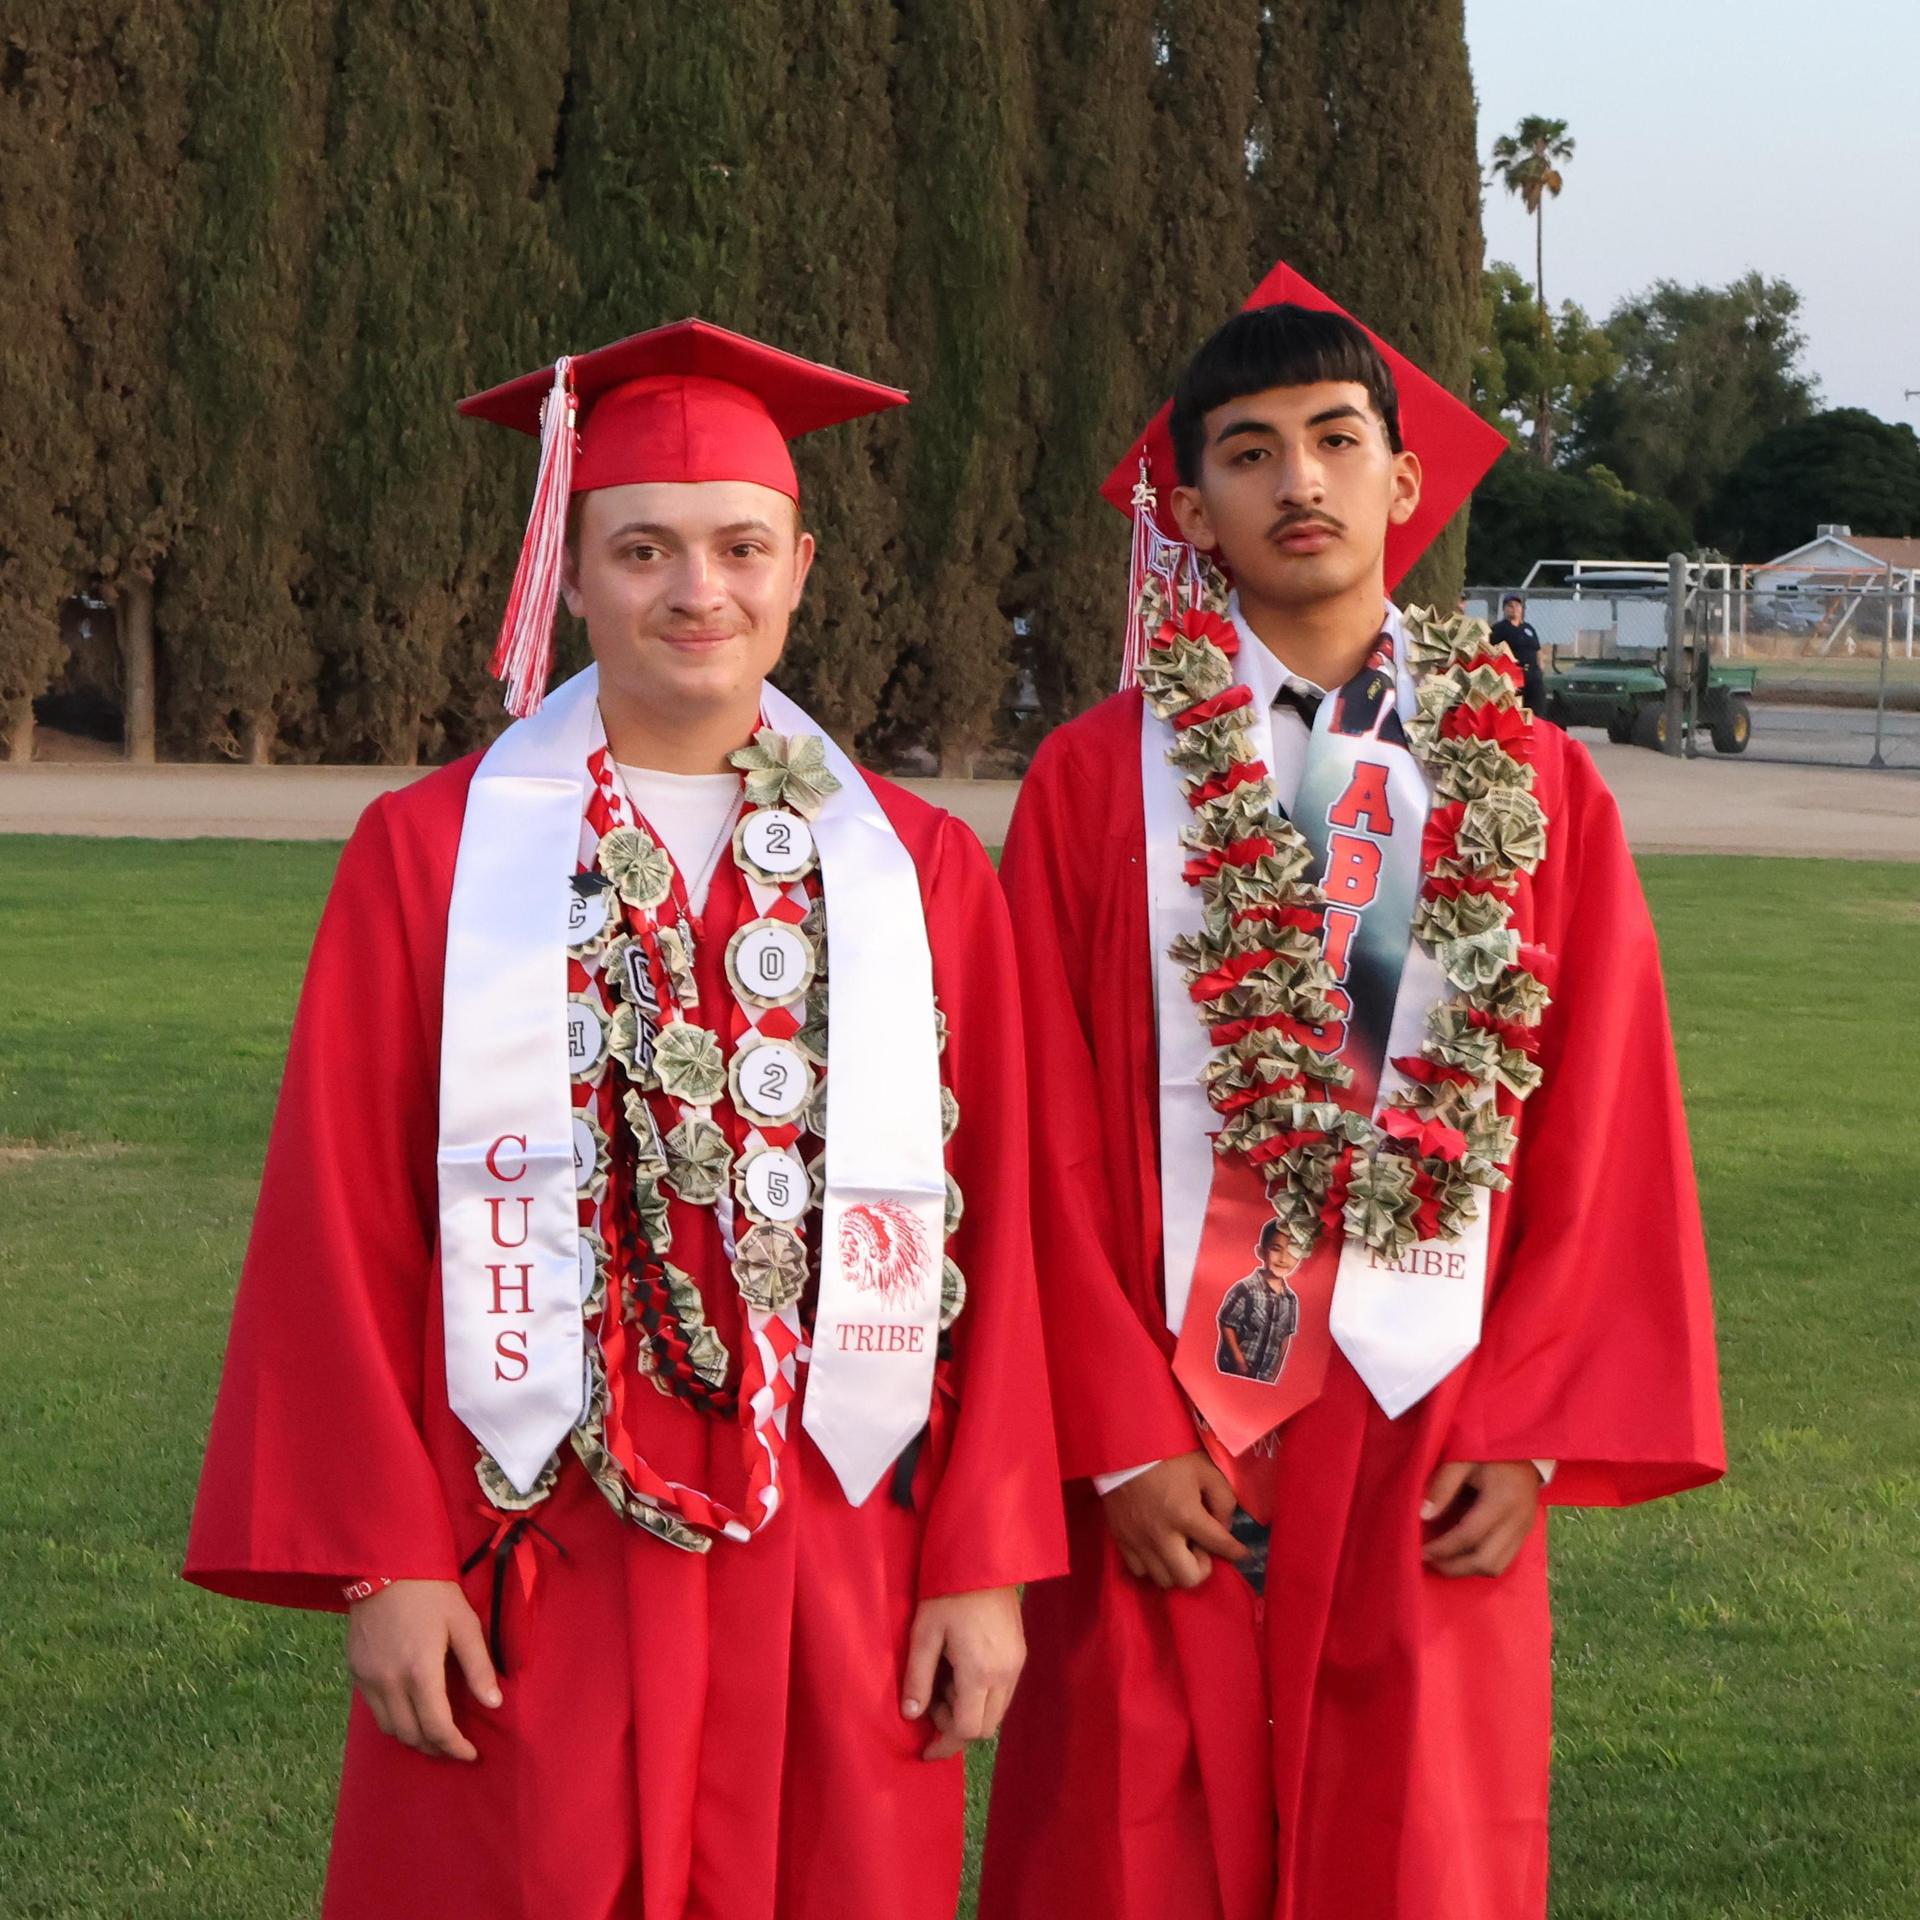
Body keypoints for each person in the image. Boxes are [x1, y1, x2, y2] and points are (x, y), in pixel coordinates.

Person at [186, 318, 1064, 1920]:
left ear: (802, 565)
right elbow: (341, 1217)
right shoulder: (430, 855)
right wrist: (387, 1562)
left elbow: (1004, 1227)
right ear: (566, 572)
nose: (695, 591)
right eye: (641, 547)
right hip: (522, 1536)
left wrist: (984, 1560)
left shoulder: (923, 871)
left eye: (739, 547)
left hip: (840, 1543)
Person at [980, 263, 1723, 1920]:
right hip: (1175, 1425)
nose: (1297, 480)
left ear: (1404, 480)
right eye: (1248, 451)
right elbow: (1024, 1130)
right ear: (1192, 508)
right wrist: (1107, 1440)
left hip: (1425, 1415)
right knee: (1132, 1836)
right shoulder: (1102, 782)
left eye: (1333, 439)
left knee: (1418, 1849)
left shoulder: (1531, 784)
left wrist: (1530, 1434)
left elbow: (1607, 1123)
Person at [1214, 1221, 1300, 1385]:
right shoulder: (1246, 1289)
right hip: (1235, 1370)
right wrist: (1239, 1362)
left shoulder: (1290, 1300)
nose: (1283, 1258)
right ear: (1261, 1251)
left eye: (1292, 1252)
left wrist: (1275, 1374)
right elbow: (1226, 1324)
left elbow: (1284, 1338)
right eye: (1276, 1249)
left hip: (1264, 1376)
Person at [1501, 592, 1546, 712]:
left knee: (1537, 710)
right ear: (1504, 609)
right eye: (1510, 606)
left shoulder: (1528, 628)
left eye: (1517, 605)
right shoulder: (1499, 629)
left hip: (1533, 675)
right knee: (1516, 710)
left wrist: (1540, 669)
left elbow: (1537, 650)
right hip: (1514, 676)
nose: (1514, 608)